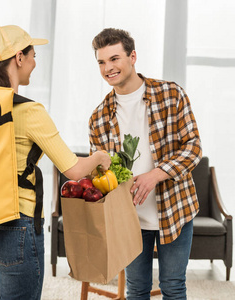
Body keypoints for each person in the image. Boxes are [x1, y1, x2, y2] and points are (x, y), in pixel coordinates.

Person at [0, 25, 111, 300]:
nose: (34, 63)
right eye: (33, 55)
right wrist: (99, 158)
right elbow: (73, 169)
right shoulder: (30, 111)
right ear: (19, 57)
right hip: (15, 228)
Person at [89, 28, 202, 300]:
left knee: (173, 288)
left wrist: (155, 175)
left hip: (175, 208)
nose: (108, 68)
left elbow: (193, 147)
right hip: (129, 219)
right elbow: (101, 174)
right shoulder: (99, 118)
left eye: (114, 58)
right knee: (136, 290)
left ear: (133, 56)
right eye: (102, 62)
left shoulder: (171, 94)